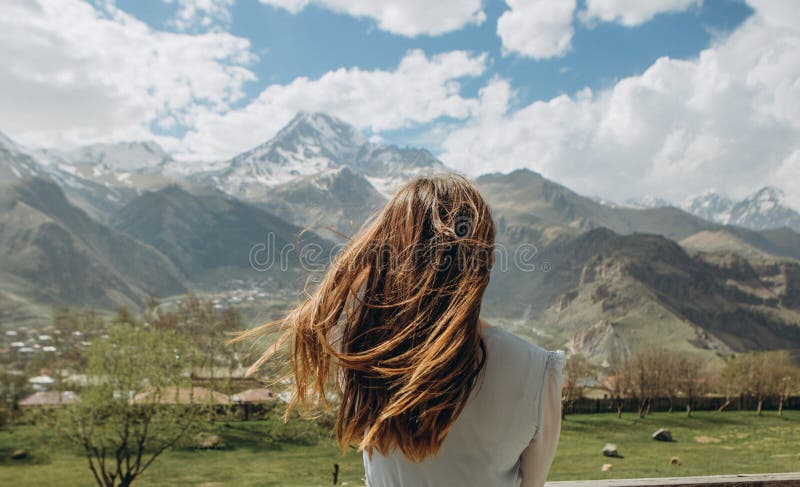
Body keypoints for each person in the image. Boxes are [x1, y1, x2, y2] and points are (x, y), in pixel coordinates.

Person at [238, 173, 565, 487]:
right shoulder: (537, 370)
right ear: (484, 259)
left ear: (390, 253)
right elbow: (531, 482)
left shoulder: (358, 351)